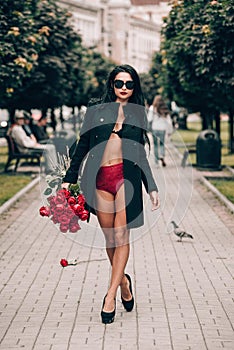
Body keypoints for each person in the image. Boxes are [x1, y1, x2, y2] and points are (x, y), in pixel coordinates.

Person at [62, 64, 160, 324]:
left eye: (129, 84)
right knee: (109, 239)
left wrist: (151, 187)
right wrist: (68, 179)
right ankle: (125, 283)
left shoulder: (138, 115)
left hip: (125, 179)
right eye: (120, 83)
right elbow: (82, 144)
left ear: (134, 87)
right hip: (99, 179)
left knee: (121, 234)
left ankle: (110, 295)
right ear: (112, 84)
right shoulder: (96, 110)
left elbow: (140, 153)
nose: (124, 88)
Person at [147, 95, 173, 167]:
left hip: (155, 128)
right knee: (162, 144)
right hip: (163, 129)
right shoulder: (164, 108)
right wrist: (170, 131)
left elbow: (149, 119)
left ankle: (156, 163)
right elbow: (168, 120)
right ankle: (162, 155)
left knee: (155, 145)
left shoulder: (152, 108)